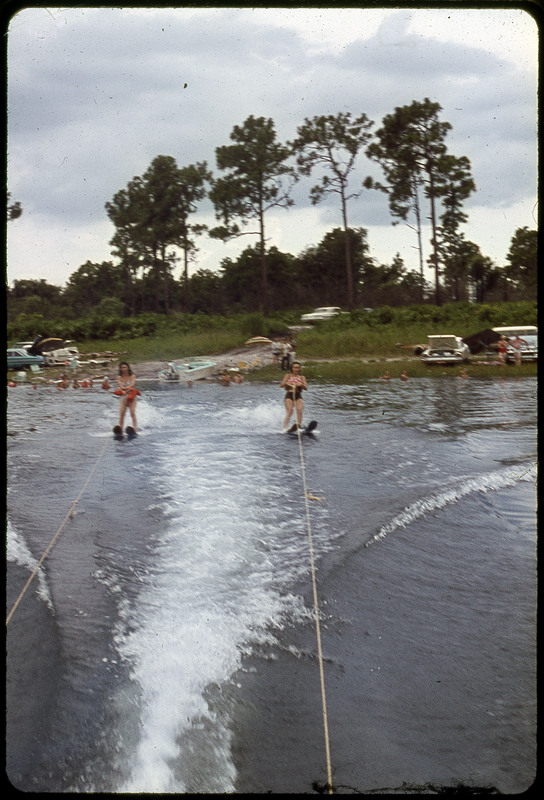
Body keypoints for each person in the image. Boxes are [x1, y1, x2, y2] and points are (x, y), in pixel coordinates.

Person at [280, 361, 307, 432]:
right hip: (289, 395)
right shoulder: (288, 376)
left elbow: (305, 388)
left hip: (298, 395)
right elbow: (281, 385)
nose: (296, 369)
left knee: (299, 410)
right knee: (290, 411)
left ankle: (299, 426)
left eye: (298, 367)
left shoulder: (302, 377)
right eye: (295, 367)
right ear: (292, 368)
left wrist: (301, 385)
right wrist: (287, 383)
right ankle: (285, 427)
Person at [116, 361, 138, 431]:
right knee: (122, 413)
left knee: (132, 412)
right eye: (122, 367)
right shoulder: (119, 377)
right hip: (123, 397)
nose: (123, 369)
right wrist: (126, 389)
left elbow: (132, 385)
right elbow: (121, 386)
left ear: (128, 368)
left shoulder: (132, 376)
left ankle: (135, 428)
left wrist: (125, 390)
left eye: (125, 367)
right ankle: (121, 428)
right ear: (120, 369)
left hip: (132, 397)